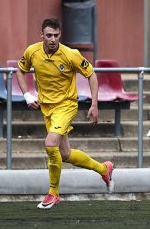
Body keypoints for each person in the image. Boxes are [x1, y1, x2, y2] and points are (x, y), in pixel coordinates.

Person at [16, 18, 114, 209]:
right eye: (49, 35)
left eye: (56, 35)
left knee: (50, 143)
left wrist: (94, 103)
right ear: (41, 35)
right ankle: (104, 169)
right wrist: (27, 95)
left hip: (67, 105)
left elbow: (91, 74)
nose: (53, 39)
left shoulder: (70, 54)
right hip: (47, 108)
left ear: (60, 35)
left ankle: (53, 193)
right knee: (65, 154)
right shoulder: (32, 51)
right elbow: (20, 71)